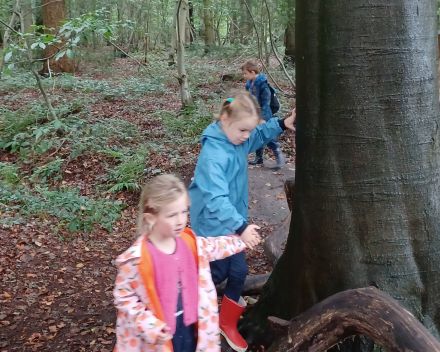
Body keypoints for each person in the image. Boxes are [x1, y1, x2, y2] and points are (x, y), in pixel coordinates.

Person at [188, 90, 296, 352]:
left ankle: (227, 323)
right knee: (215, 274)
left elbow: (257, 136)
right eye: (242, 130)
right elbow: (214, 198)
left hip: (233, 222)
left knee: (238, 273)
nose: (247, 135)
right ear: (225, 119)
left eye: (249, 130)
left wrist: (282, 124)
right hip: (213, 226)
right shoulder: (213, 155)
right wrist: (242, 227)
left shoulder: (237, 140)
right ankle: (190, 312)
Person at [113, 174, 260, 352]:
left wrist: (242, 240)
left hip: (191, 328)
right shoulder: (137, 259)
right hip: (159, 338)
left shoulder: (189, 241)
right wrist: (150, 325)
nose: (180, 220)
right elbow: (124, 297)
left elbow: (214, 246)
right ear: (151, 218)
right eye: (172, 215)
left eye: (184, 211)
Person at [242, 60, 286, 168]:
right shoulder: (249, 84)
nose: (244, 76)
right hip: (254, 113)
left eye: (245, 73)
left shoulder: (263, 84)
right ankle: (259, 158)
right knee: (256, 132)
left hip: (264, 113)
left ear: (252, 72)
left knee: (266, 134)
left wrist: (263, 118)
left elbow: (266, 102)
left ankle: (279, 155)